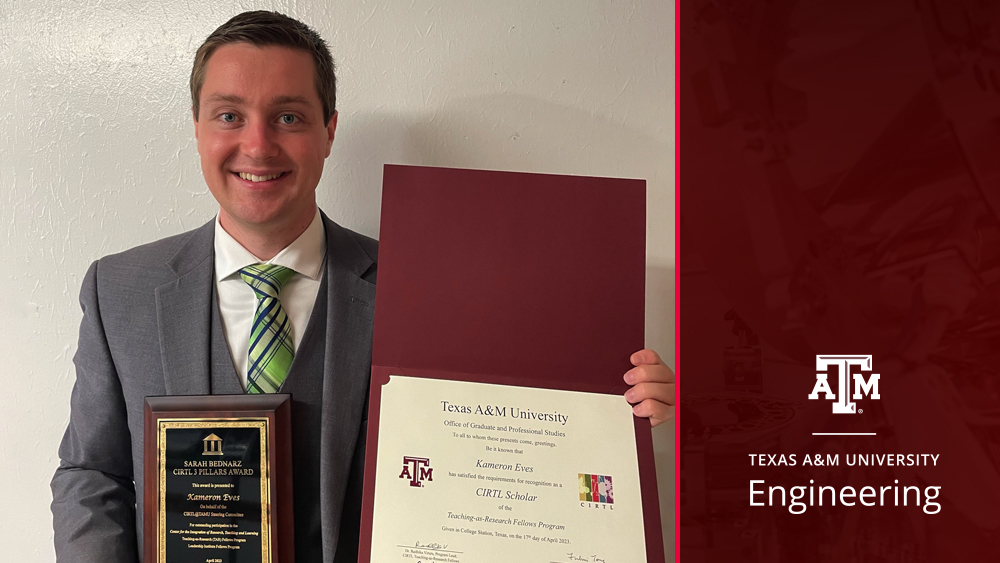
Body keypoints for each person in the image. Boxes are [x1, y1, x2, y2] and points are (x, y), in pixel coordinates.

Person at [49, 10, 675, 562]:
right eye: (230, 115)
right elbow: (90, 472)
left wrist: (613, 411)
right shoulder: (119, 290)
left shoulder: (426, 287)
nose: (258, 144)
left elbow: (508, 442)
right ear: (197, 126)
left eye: (288, 115)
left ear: (329, 130)